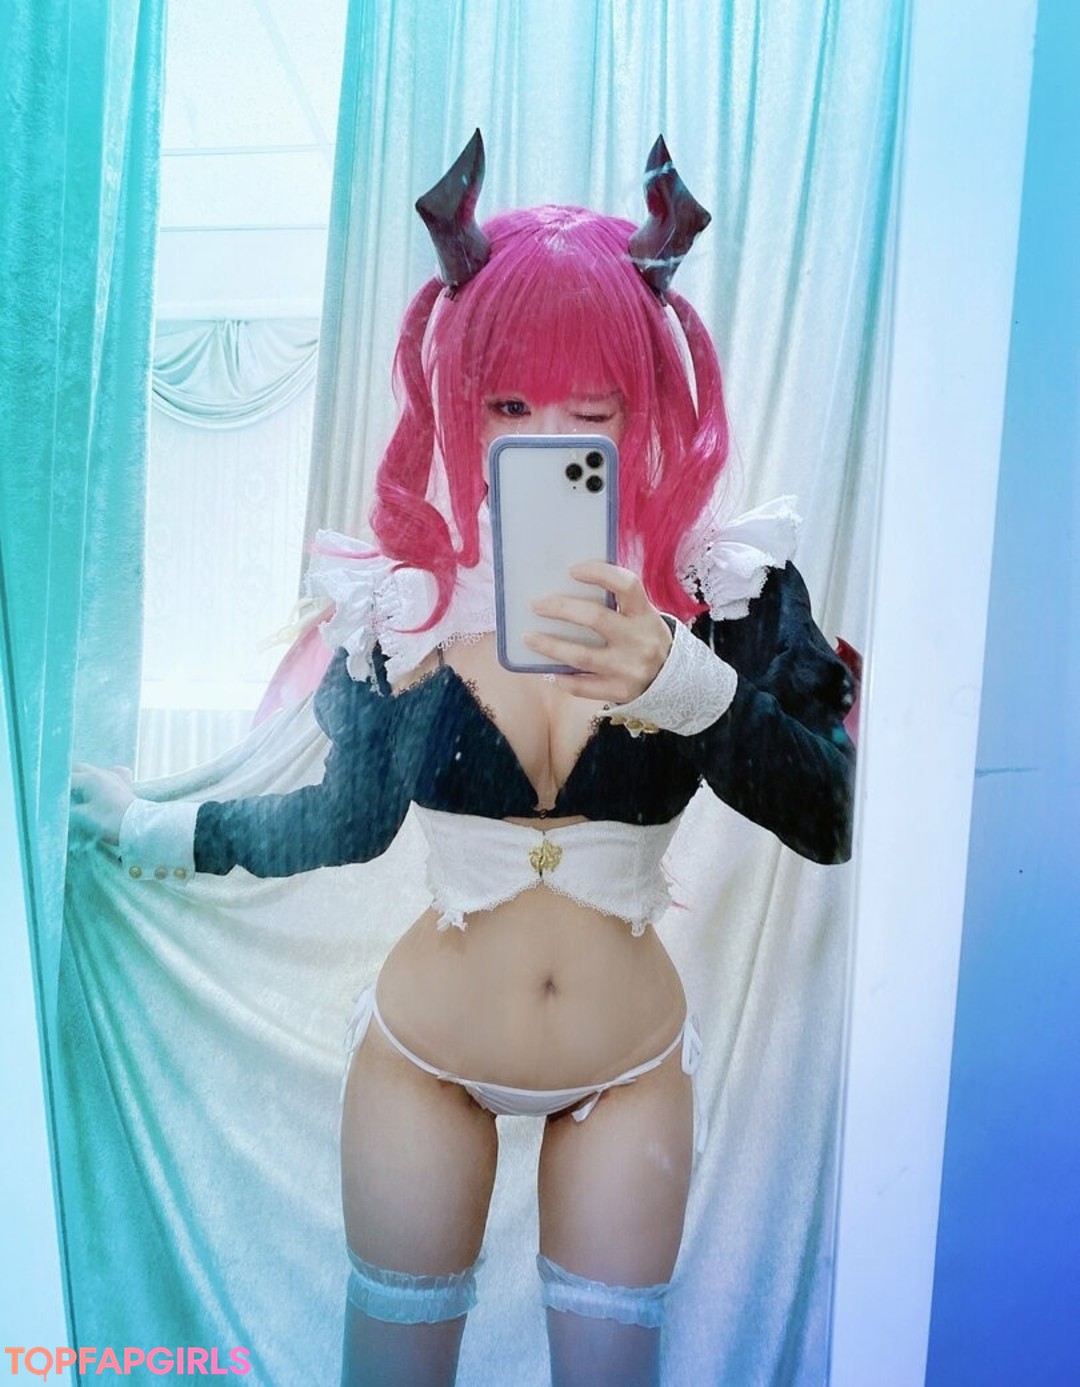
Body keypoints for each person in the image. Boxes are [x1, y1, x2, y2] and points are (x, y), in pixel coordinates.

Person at [71, 132, 855, 1387]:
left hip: (631, 1070)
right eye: (510, 405)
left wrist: (680, 678)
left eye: (591, 409)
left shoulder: (720, 592)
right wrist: (152, 827)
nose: (547, 439)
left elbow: (834, 815)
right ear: (460, 399)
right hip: (422, 1063)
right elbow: (345, 822)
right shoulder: (408, 608)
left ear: (644, 401)